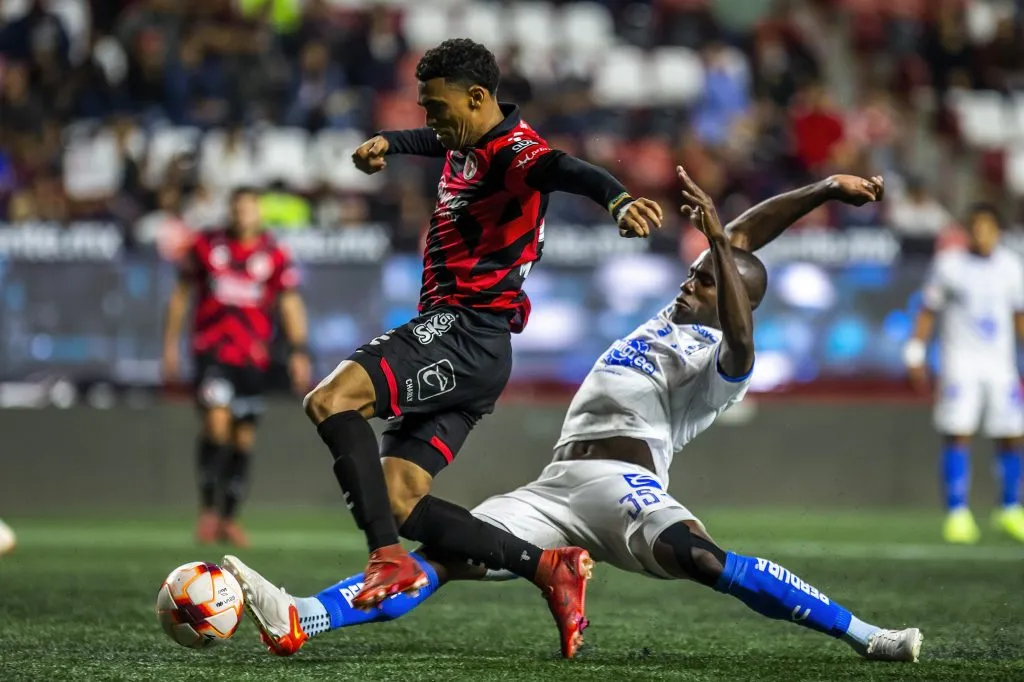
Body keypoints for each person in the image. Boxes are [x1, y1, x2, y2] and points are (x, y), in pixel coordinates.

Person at [224, 171, 922, 663]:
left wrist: (718, 240)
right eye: (698, 269)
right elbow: (738, 242)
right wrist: (825, 190)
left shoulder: (725, 360)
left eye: (706, 278)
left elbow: (740, 317)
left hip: (630, 489)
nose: (691, 278)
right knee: (442, 559)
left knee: (706, 560)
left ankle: (867, 635)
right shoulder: (674, 312)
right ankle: (301, 616)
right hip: (555, 487)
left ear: (730, 297)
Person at [298, 38, 662, 656]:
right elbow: (432, 141)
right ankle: (549, 568)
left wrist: (618, 199)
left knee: (332, 400)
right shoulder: (465, 138)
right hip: (478, 351)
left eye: (437, 108)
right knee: (399, 495)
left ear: (476, 97)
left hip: (463, 331)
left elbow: (565, 168)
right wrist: (391, 141)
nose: (431, 121)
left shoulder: (517, 152)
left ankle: (386, 557)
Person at [162, 187, 311, 547]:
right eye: (237, 208)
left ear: (259, 214)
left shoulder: (274, 254)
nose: (243, 215)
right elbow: (181, 296)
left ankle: (229, 515)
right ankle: (208, 511)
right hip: (212, 352)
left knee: (243, 438)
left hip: (253, 358)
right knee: (216, 424)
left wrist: (298, 351)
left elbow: (290, 303)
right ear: (230, 211)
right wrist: (169, 345)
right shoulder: (206, 247)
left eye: (249, 209)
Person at [904, 203, 1024, 545]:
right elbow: (927, 311)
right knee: (958, 432)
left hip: (1001, 364)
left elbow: (1018, 316)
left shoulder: (1012, 267)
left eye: (988, 228)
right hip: (961, 364)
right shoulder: (949, 265)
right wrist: (916, 354)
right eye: (976, 227)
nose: (981, 234)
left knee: (1013, 433)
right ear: (968, 230)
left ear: (998, 232)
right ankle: (957, 513)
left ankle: (1010, 508)